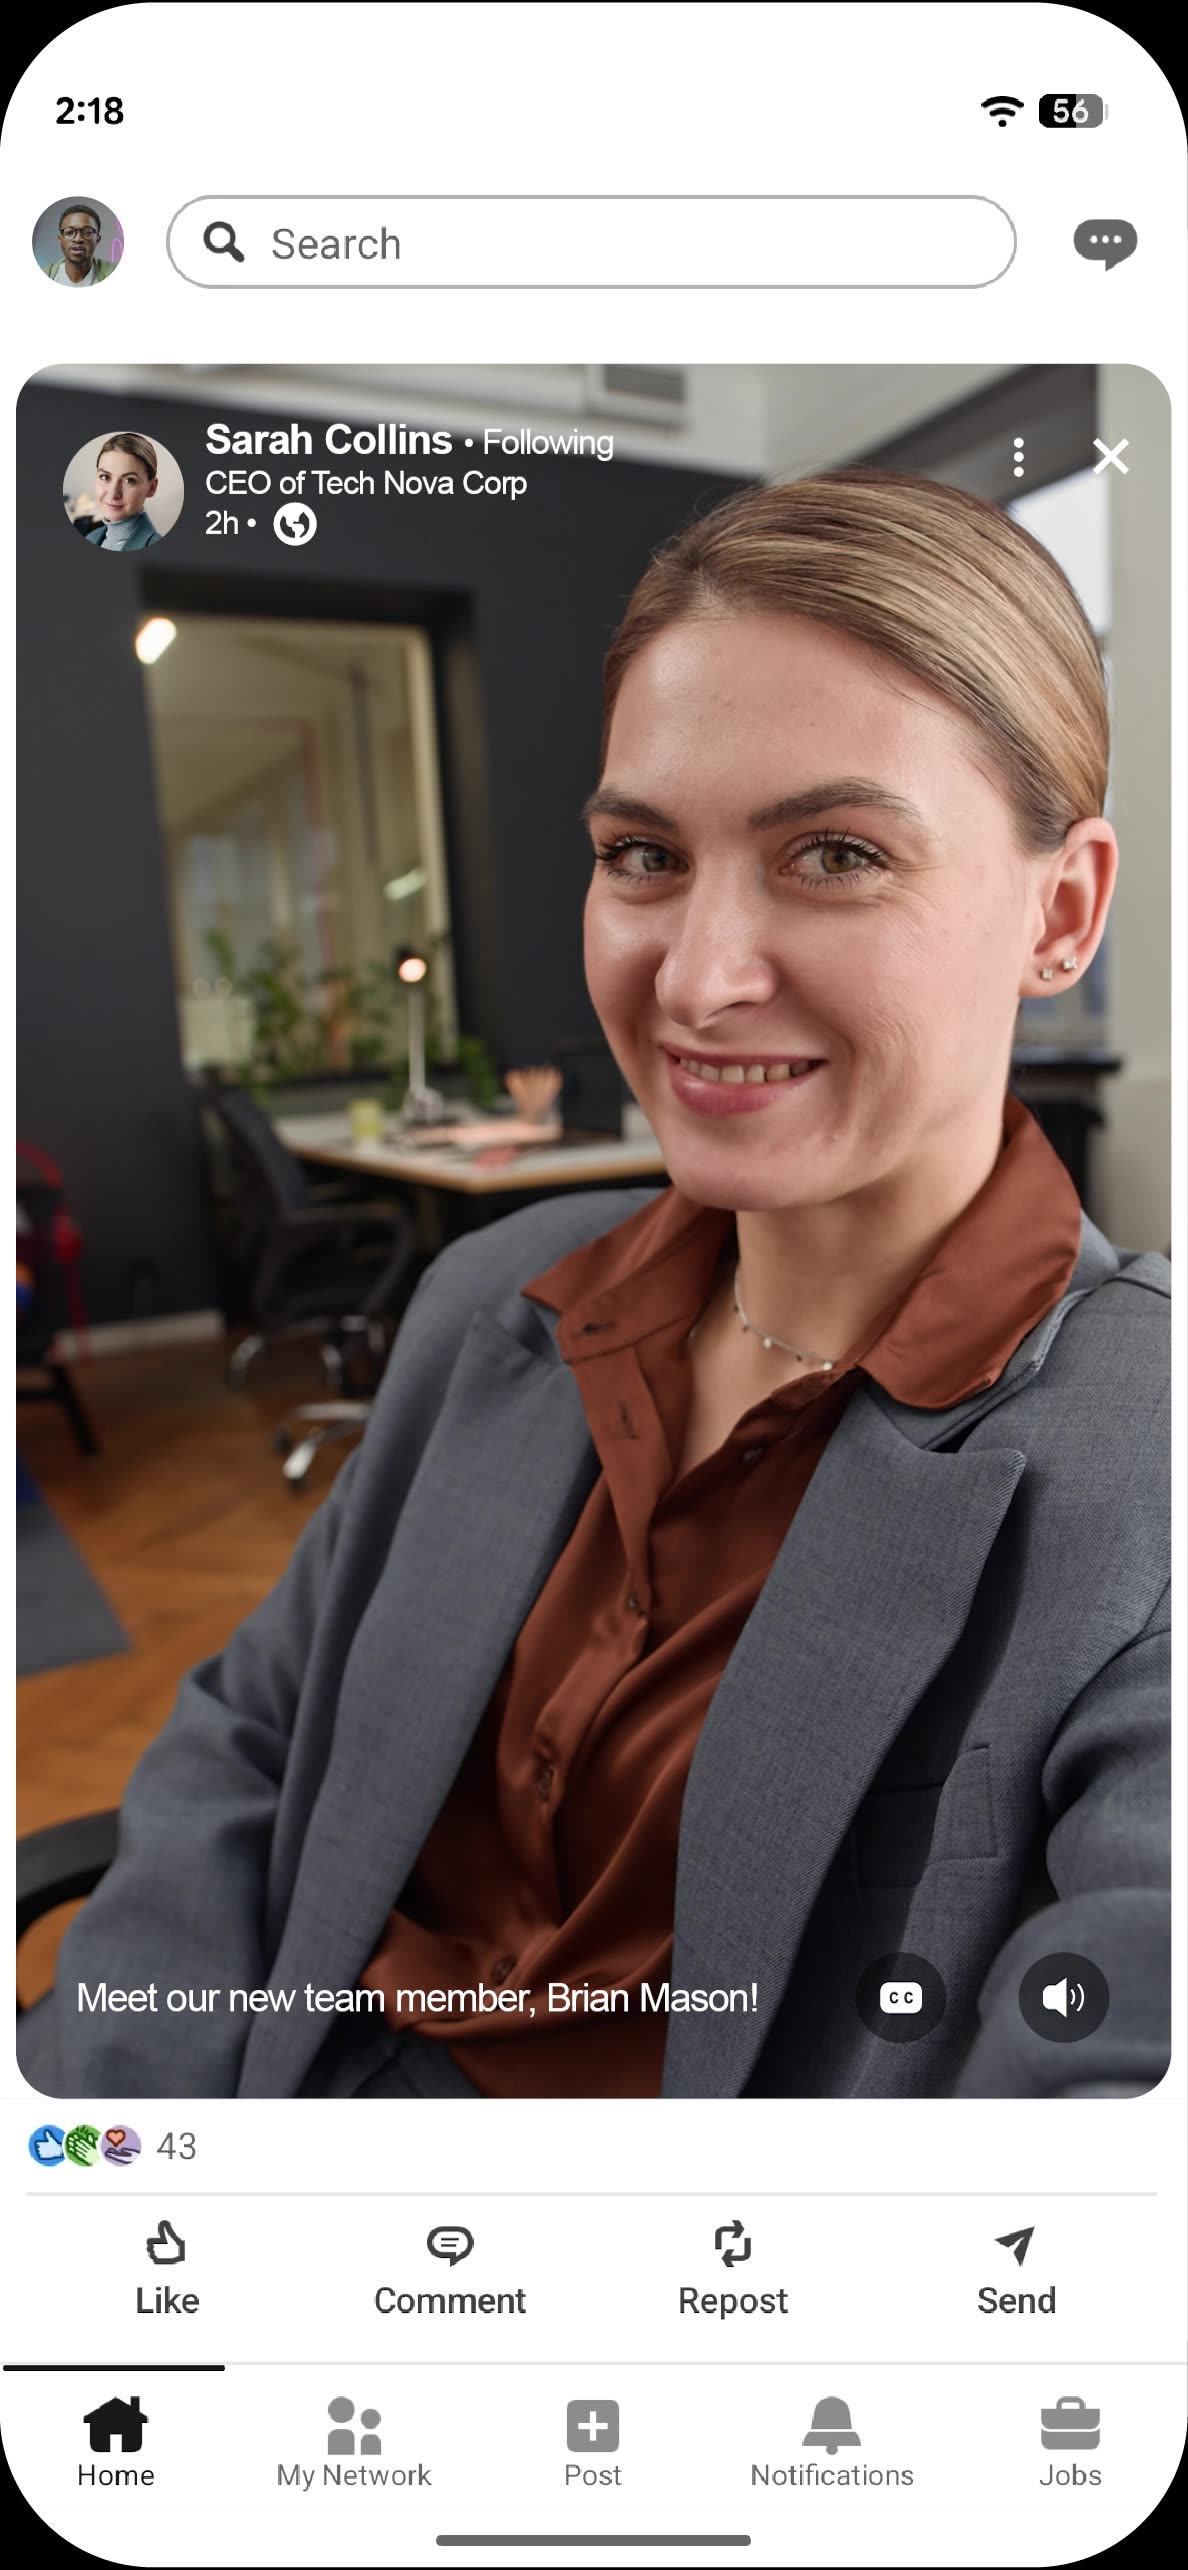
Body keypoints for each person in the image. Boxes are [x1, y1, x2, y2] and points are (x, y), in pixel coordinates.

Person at [18, 473, 1168, 2103]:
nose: (694, 979)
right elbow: (257, 1738)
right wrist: (104, 2133)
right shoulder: (501, 1303)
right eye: (639, 854)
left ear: (1058, 912)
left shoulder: (1141, 1482)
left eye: (832, 853)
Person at [82, 434, 164, 551]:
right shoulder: (91, 537)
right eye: (105, 477)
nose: (113, 494)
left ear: (151, 488)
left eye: (129, 480)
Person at [44, 205, 116, 287]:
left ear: (97, 239)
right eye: (69, 232)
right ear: (60, 239)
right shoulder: (45, 273)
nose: (78, 239)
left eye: (87, 232)